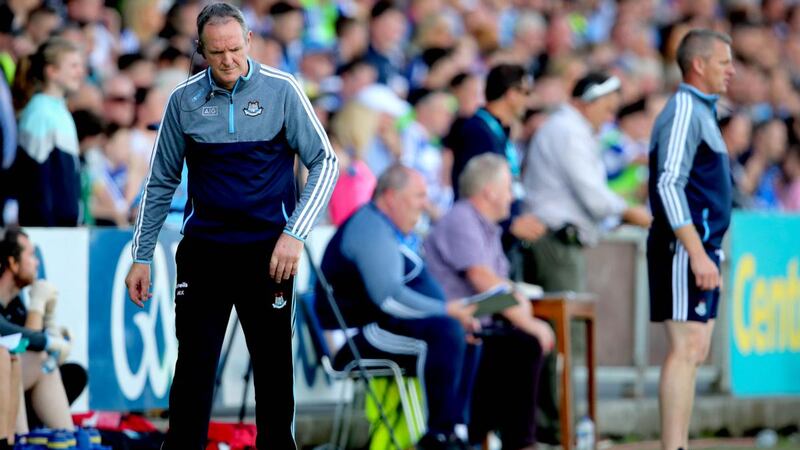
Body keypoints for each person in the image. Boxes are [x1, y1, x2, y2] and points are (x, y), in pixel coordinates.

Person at [124, 3, 338, 449]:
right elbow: (160, 180)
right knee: (193, 371)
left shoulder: (282, 89)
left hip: (269, 254)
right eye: (216, 51)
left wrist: (295, 234)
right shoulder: (183, 100)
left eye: (235, 49)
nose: (227, 60)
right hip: (206, 254)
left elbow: (325, 162)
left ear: (249, 42)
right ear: (200, 48)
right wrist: (141, 255)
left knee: (274, 372)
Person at [316, 165, 478, 450]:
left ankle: (456, 431)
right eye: (418, 196)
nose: (424, 205)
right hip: (352, 338)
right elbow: (388, 298)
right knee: (445, 333)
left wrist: (448, 314)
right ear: (391, 197)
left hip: (375, 327)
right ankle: (438, 436)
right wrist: (445, 311)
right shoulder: (370, 227)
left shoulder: (386, 227)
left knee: (468, 337)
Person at [424, 153, 555, 449]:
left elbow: (500, 288)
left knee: (522, 340)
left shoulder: (486, 225)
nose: (512, 197)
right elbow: (484, 281)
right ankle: (517, 441)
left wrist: (521, 306)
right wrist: (528, 320)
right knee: (525, 341)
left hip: (478, 322)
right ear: (489, 191)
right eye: (509, 188)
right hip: (455, 325)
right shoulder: (461, 218)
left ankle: (513, 438)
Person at [647, 29, 735, 450]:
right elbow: (668, 183)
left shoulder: (703, 111)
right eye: (724, 62)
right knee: (686, 348)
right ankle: (674, 447)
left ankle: (680, 443)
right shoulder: (684, 107)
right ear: (698, 64)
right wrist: (696, 251)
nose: (731, 71)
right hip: (684, 247)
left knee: (696, 350)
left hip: (701, 247)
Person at [522, 72, 652, 292]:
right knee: (566, 322)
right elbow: (593, 196)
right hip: (556, 240)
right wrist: (628, 211)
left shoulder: (570, 130)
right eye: (608, 109)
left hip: (558, 239)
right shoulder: (568, 131)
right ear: (588, 102)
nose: (610, 119)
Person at [0, 228, 74, 435]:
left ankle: (67, 439)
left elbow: (28, 344)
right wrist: (38, 306)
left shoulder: (15, 302)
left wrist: (51, 327)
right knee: (33, 359)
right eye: (30, 255)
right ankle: (23, 440)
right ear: (12, 263)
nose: (37, 262)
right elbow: (26, 346)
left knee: (73, 373)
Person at [11, 37, 85, 227]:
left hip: (64, 226)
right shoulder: (40, 112)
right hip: (49, 228)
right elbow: (35, 179)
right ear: (51, 71)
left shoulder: (59, 109)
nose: (80, 72)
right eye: (73, 66)